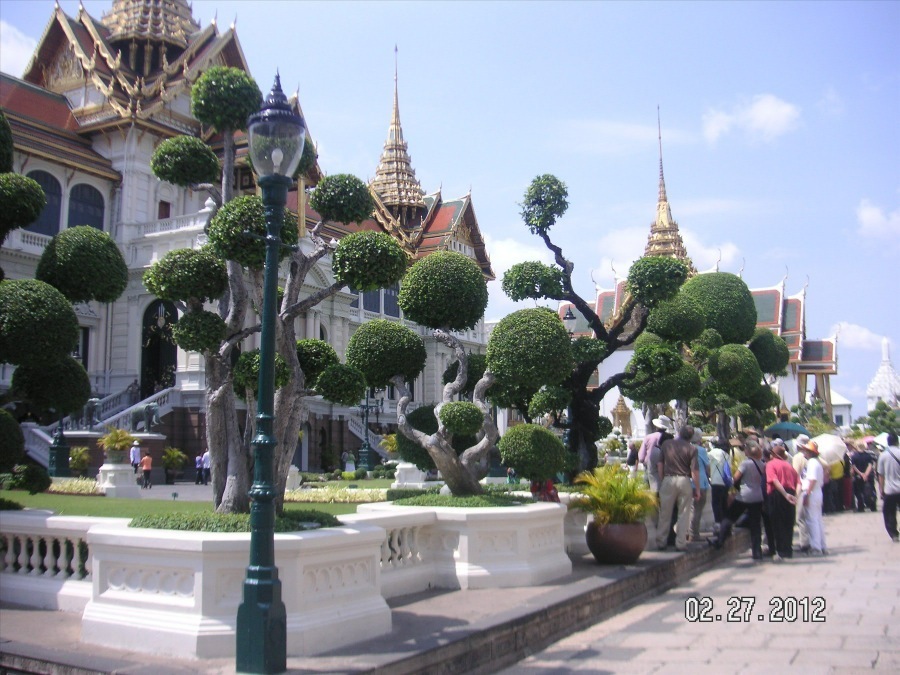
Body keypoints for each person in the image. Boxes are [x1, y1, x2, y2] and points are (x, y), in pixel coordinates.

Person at [709, 441, 765, 560]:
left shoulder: (745, 464)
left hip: (744, 495)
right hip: (758, 496)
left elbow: (735, 479)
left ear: (748, 451)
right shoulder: (761, 464)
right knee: (755, 525)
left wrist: (730, 480)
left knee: (729, 517)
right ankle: (757, 551)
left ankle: (720, 541)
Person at [655, 424, 700, 551]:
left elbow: (660, 464)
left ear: (679, 433)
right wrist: (697, 489)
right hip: (684, 479)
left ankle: (661, 542)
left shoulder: (667, 444)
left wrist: (663, 478)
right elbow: (694, 471)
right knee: (684, 513)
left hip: (668, 478)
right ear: (691, 437)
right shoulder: (692, 449)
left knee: (665, 513)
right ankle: (680, 543)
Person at [765, 438, 799, 561]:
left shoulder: (770, 464)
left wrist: (785, 494)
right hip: (790, 492)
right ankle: (788, 550)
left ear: (773, 455)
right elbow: (798, 482)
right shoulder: (789, 466)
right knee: (788, 523)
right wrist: (794, 495)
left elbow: (774, 480)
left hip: (778, 494)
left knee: (778, 523)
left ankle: (780, 551)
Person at [798, 439, 827, 555]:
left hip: (812, 492)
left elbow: (812, 480)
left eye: (805, 451)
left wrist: (807, 495)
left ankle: (816, 547)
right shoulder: (816, 463)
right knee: (817, 520)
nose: (804, 453)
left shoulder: (812, 463)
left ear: (810, 452)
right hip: (816, 492)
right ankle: (821, 545)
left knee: (812, 521)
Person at [876, 432, 900, 542]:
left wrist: (881, 490)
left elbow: (881, 475)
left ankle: (893, 533)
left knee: (889, 512)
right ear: (897, 441)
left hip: (889, 489)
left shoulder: (883, 455)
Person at [689, 428, 710, 542]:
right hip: (700, 482)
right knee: (697, 509)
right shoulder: (700, 450)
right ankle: (693, 533)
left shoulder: (685, 448)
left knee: (689, 509)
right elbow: (707, 467)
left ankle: (687, 531)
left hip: (688, 482)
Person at [707, 438, 732, 533]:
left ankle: (718, 525)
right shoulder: (727, 454)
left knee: (716, 504)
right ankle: (726, 526)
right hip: (725, 483)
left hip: (716, 481)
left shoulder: (714, 452)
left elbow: (707, 463)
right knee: (724, 505)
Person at [792, 433, 811, 553]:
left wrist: (795, 493)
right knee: (810, 517)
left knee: (800, 518)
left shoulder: (798, 457)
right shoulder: (813, 457)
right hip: (813, 488)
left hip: (802, 488)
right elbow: (826, 467)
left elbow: (795, 475)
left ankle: (804, 543)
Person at [850, 442, 877, 512]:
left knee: (859, 491)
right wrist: (866, 474)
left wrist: (861, 474)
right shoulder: (868, 455)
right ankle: (873, 506)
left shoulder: (854, 456)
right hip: (869, 476)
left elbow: (853, 466)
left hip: (858, 476)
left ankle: (860, 507)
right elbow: (870, 465)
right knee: (871, 490)